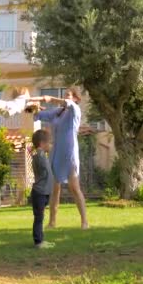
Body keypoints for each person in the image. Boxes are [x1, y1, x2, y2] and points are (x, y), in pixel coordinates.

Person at [33, 87, 89, 229]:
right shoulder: (57, 112)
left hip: (69, 152)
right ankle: (52, 222)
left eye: (69, 95)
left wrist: (51, 99)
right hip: (56, 153)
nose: (66, 97)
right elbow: (40, 115)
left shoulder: (75, 109)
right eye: (65, 95)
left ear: (76, 98)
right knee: (55, 188)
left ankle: (84, 222)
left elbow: (67, 104)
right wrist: (33, 108)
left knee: (74, 187)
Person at [30, 129, 54, 248]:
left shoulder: (42, 155)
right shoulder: (39, 155)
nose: (50, 145)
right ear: (42, 143)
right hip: (39, 192)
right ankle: (38, 242)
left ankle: (41, 240)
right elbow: (38, 158)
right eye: (49, 143)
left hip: (44, 192)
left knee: (41, 217)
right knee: (39, 218)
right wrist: (38, 150)